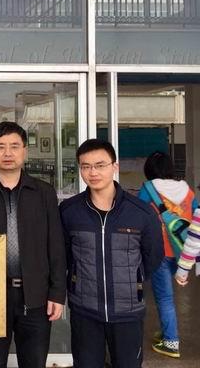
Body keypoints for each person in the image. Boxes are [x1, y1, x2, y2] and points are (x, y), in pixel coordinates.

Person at [0, 121, 66, 368]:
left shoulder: (44, 192)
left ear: (25, 151)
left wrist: (57, 293)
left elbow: (56, 245)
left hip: (36, 295)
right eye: (1, 147)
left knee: (34, 361)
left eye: (14, 146)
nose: (8, 153)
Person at [60, 139, 163, 368]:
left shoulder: (140, 212)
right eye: (86, 166)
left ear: (114, 167)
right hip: (85, 311)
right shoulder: (69, 211)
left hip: (128, 311)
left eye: (100, 165)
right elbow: (64, 255)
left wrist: (133, 280)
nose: (93, 172)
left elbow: (153, 256)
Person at [137, 150, 197, 358]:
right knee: (167, 296)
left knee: (164, 297)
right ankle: (166, 333)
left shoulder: (148, 189)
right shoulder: (187, 190)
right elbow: (196, 218)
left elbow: (138, 216)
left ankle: (171, 342)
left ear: (149, 169)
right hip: (183, 251)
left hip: (159, 251)